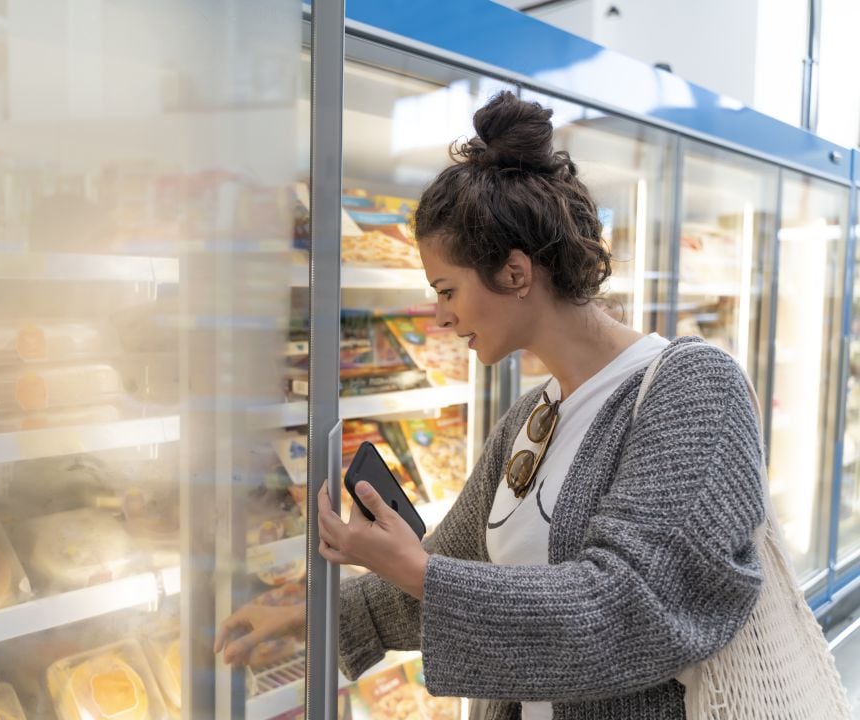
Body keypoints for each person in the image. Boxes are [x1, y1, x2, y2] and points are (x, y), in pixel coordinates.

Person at [215, 91, 764, 720]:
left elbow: (632, 609)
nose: (440, 317)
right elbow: (453, 567)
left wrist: (420, 573)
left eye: (447, 290)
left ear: (515, 273)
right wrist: (304, 616)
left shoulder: (694, 389)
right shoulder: (532, 418)